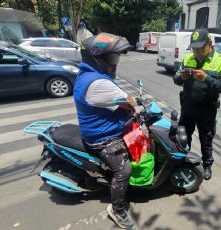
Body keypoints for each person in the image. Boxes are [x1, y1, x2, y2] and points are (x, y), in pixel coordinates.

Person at [74, 33, 135, 229]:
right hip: (102, 137)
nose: (115, 63)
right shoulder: (100, 83)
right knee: (124, 169)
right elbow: (129, 103)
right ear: (96, 59)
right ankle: (117, 210)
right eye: (111, 58)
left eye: (116, 58)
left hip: (98, 128)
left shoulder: (87, 74)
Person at [173, 29, 221, 180]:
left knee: (206, 140)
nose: (197, 52)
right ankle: (183, 161)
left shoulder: (220, 62)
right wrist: (181, 76)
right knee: (183, 138)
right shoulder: (187, 59)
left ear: (210, 44)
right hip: (187, 108)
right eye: (194, 48)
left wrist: (206, 78)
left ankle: (207, 165)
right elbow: (176, 79)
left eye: (200, 48)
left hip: (207, 111)